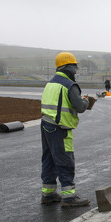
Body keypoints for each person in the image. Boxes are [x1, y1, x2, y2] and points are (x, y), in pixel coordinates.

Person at [40, 52, 91, 207]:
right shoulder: (69, 85)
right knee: (65, 161)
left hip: (46, 124)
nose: (76, 71)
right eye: (74, 67)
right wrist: (87, 101)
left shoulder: (51, 83)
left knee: (48, 159)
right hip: (60, 128)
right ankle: (69, 198)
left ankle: (48, 194)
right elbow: (80, 107)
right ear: (68, 67)